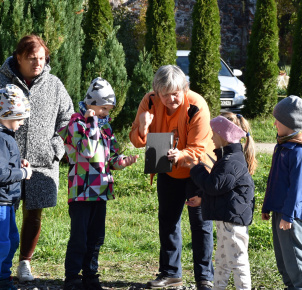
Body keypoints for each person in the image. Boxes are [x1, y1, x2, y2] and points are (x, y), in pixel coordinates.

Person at [129, 65, 215, 289]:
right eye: (164, 94)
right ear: (156, 92)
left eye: (175, 93)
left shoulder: (197, 106)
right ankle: (170, 273)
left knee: (200, 222)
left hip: (197, 169)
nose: (170, 99)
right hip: (166, 166)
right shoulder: (149, 101)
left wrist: (182, 154)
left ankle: (204, 277)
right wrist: (143, 127)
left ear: (184, 88)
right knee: (167, 220)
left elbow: (199, 149)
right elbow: (136, 141)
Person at [0, 34, 74, 282]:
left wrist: (56, 148)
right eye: (32, 58)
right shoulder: (1, 81)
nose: (38, 63)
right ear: (18, 57)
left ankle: (24, 263)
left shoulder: (54, 85)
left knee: (34, 215)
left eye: (42, 58)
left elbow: (68, 118)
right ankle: (2, 266)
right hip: (5, 163)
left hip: (43, 164)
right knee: (4, 215)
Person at [58, 77, 139, 290]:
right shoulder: (77, 123)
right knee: (79, 236)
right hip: (81, 192)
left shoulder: (105, 128)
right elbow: (88, 150)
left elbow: (110, 157)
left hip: (100, 191)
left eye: (108, 109)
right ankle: (72, 277)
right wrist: (92, 121)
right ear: (91, 104)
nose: (106, 113)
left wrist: (122, 162)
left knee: (95, 237)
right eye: (103, 108)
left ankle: (90, 274)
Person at [185, 113, 256, 290]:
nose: (211, 137)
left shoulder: (231, 162)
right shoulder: (227, 159)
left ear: (224, 136)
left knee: (238, 261)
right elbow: (223, 190)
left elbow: (214, 185)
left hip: (233, 221)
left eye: (213, 133)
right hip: (227, 219)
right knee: (223, 262)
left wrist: (195, 168)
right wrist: (203, 199)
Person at [261, 95, 302, 289]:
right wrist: (267, 206)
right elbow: (274, 181)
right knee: (284, 261)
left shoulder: (300, 152)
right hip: (280, 212)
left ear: (290, 122)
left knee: (296, 261)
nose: (274, 123)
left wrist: (288, 216)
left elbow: (299, 189)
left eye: (278, 120)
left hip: (291, 216)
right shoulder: (282, 146)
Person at [0, 84, 32, 290]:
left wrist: (18, 163)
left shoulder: (7, 137)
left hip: (8, 201)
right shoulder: (2, 139)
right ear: (7, 114)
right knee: (2, 242)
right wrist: (23, 174)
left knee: (11, 239)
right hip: (1, 201)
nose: (21, 123)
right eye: (19, 118)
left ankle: (4, 276)